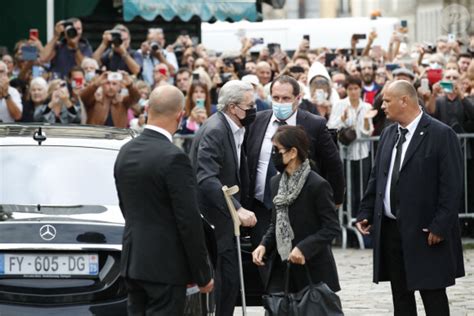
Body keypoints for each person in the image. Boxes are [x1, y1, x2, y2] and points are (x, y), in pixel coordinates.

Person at [356, 80, 465, 315]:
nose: (382, 106)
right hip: (392, 231)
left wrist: (440, 226)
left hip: (426, 232)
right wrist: (366, 212)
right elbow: (378, 178)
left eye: (386, 100)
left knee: (433, 295)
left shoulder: (441, 134)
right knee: (401, 297)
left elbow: (452, 186)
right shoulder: (388, 134)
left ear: (404, 101)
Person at [114, 85, 213, 315]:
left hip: (132, 262)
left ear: (148, 109)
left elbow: (125, 207)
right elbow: (188, 220)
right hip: (165, 268)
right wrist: (203, 274)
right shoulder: (174, 158)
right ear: (180, 115)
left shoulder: (126, 151)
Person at [246, 75, 344, 251]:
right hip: (261, 207)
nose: (280, 102)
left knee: (298, 259)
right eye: (276, 98)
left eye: (285, 98)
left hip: (301, 209)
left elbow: (333, 164)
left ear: (298, 99)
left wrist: (336, 199)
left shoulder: (314, 124)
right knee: (263, 261)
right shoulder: (257, 121)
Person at [189, 80, 257, 316]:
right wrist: (236, 208)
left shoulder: (235, 127)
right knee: (225, 279)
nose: (253, 109)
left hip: (224, 221)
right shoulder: (216, 130)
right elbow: (206, 177)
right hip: (215, 219)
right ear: (232, 107)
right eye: (249, 105)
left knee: (230, 281)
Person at [252, 125, 341, 294]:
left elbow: (331, 227)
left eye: (277, 150)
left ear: (293, 153)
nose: (273, 155)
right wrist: (264, 245)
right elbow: (275, 222)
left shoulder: (317, 184)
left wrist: (304, 248)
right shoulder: (276, 182)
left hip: (312, 271)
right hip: (282, 269)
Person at [328, 76, 375, 217]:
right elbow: (330, 127)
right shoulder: (339, 105)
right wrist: (342, 120)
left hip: (363, 154)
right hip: (345, 154)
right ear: (346, 90)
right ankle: (346, 218)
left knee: (361, 189)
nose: (353, 92)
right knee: (346, 190)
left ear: (360, 89)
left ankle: (359, 218)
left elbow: (368, 133)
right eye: (350, 89)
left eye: (356, 88)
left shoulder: (367, 107)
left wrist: (366, 121)